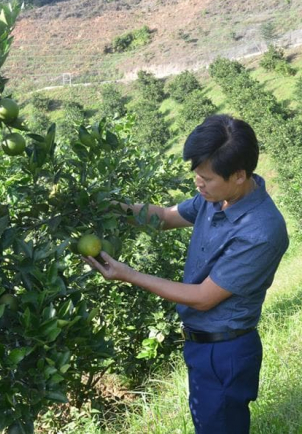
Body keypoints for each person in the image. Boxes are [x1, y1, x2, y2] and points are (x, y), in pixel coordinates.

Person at [83, 114, 289, 434]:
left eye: (206, 178)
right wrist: (112, 207)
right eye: (196, 174)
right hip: (201, 345)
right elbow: (165, 217)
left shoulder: (261, 230)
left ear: (238, 175)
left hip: (225, 352)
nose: (198, 183)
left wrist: (128, 274)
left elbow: (204, 298)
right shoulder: (216, 198)